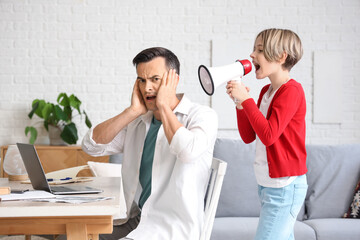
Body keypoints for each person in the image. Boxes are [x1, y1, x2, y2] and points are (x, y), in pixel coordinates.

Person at [82, 47, 218, 240]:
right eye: (142, 80)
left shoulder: (202, 116)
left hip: (171, 228)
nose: (147, 88)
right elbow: (91, 146)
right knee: (70, 236)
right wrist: (131, 111)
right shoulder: (139, 121)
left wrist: (163, 106)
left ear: (174, 80)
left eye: (155, 79)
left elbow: (187, 152)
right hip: (137, 220)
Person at [226, 28, 308, 240]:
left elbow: (269, 135)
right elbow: (248, 136)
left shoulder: (292, 91)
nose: (252, 55)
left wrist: (246, 100)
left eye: (260, 50)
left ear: (281, 57)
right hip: (268, 185)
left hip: (285, 187)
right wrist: (240, 103)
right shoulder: (265, 92)